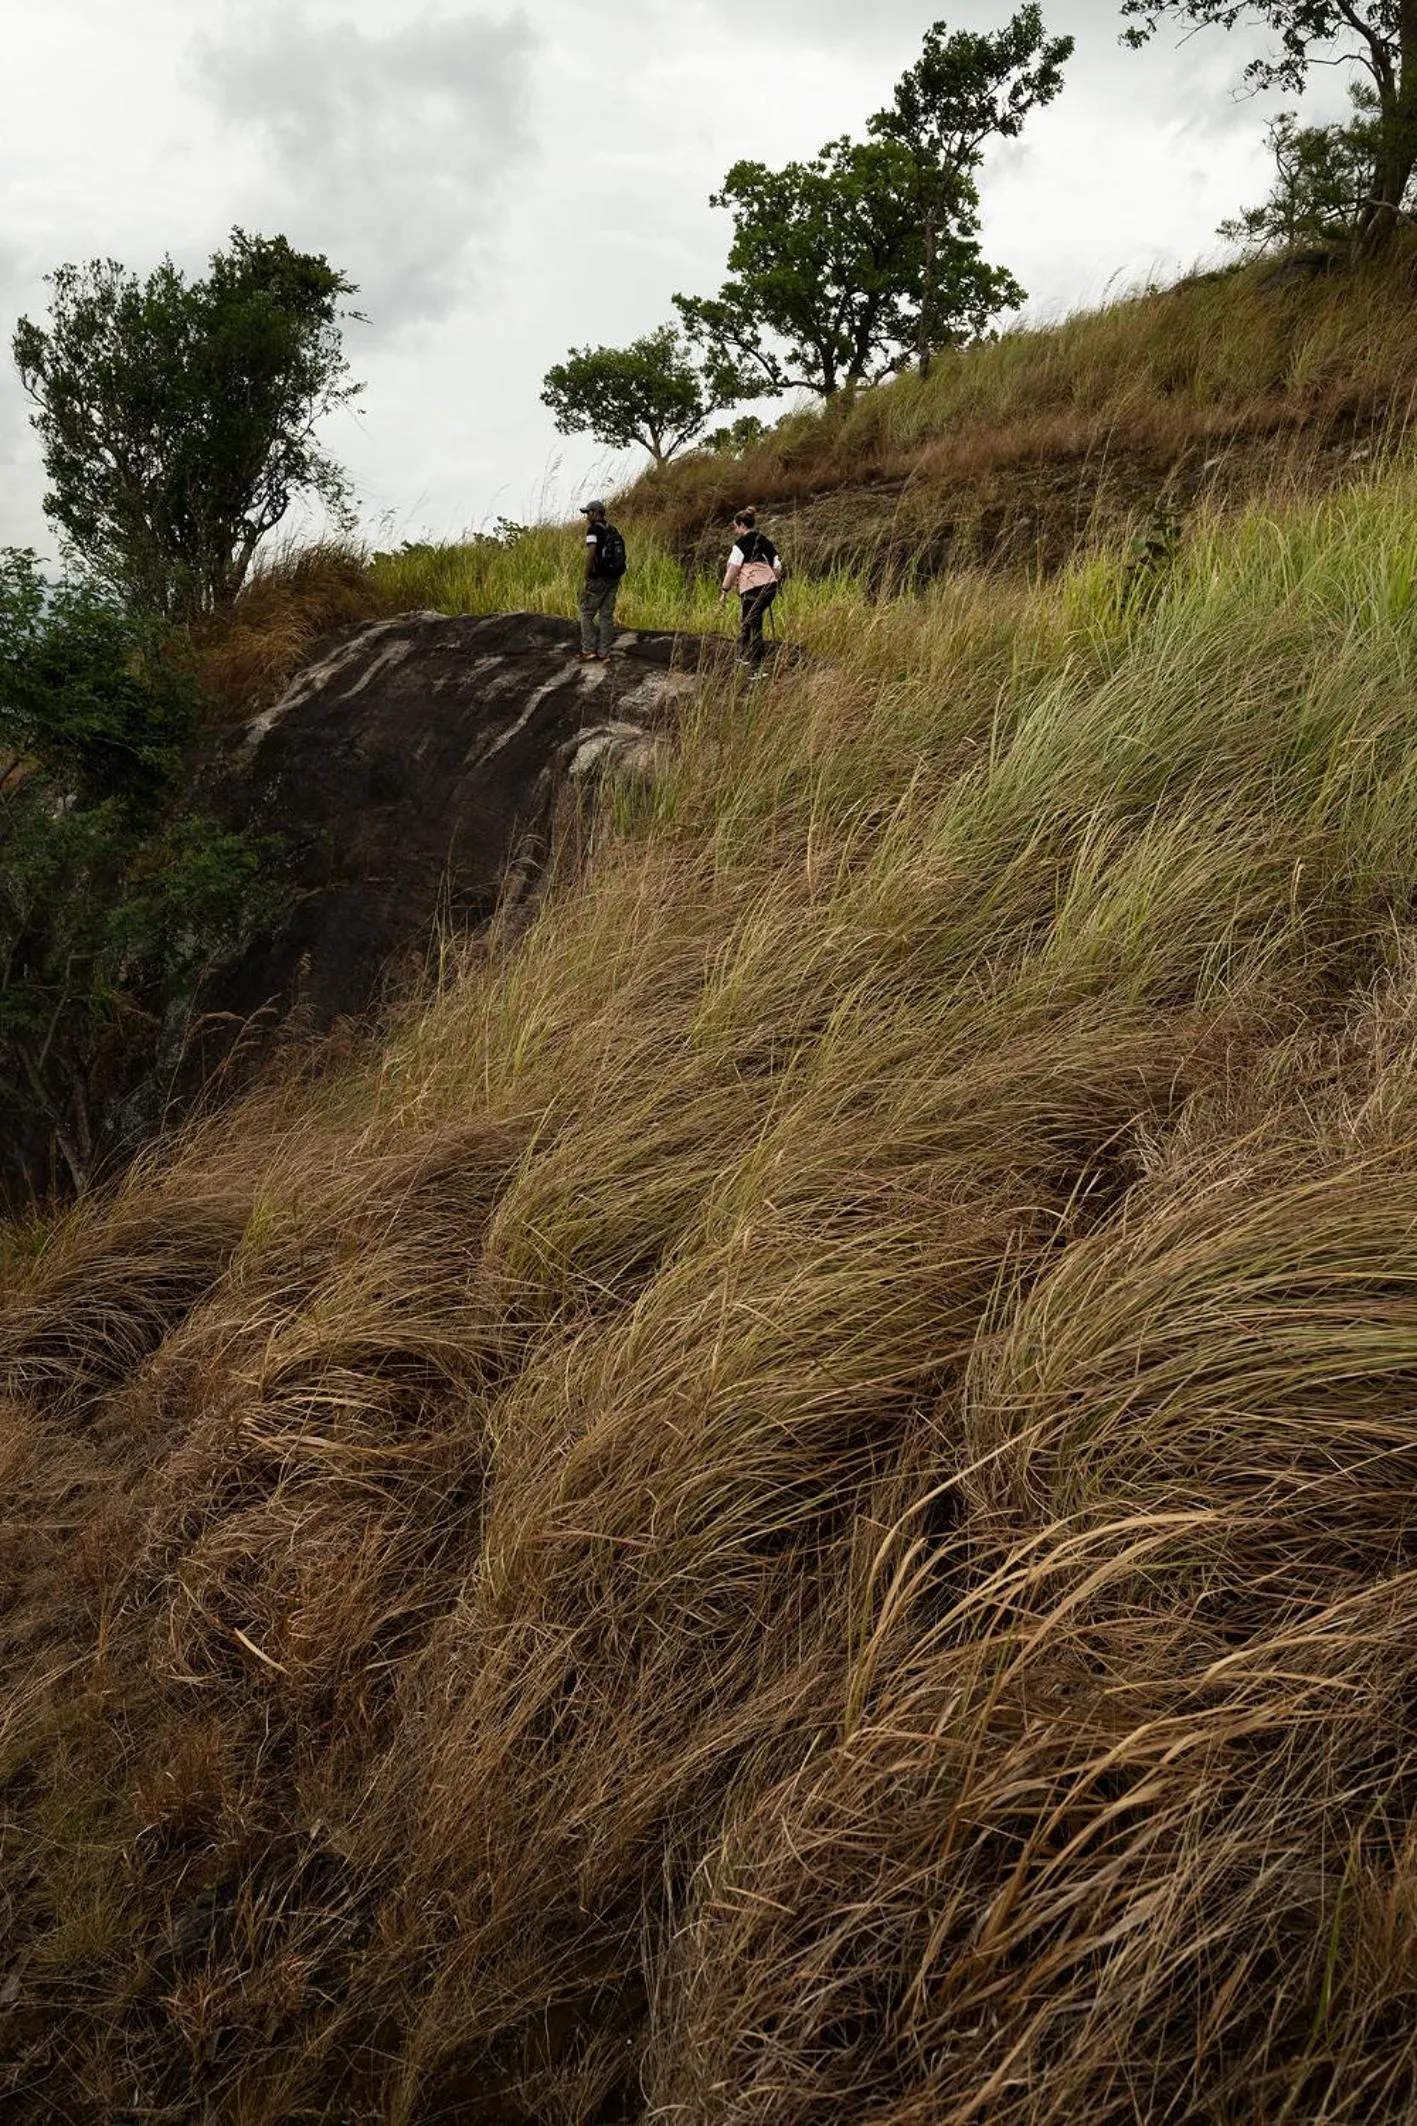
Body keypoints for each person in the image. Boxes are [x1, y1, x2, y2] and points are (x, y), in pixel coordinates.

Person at [720, 508, 784, 670]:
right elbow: (777, 567)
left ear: (742, 525)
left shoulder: (740, 544)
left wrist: (724, 591)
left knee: (751, 623)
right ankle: (745, 658)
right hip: (770, 587)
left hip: (753, 588)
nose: (735, 530)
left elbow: (732, 570)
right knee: (751, 620)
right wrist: (770, 578)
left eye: (735, 526)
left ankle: (754, 666)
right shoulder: (765, 540)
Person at [578, 500, 626, 662]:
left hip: (598, 578)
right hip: (614, 578)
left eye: (588, 513)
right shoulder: (613, 529)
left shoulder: (593, 530)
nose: (586, 516)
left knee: (586, 613)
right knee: (606, 615)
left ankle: (588, 650)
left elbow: (591, 552)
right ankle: (604, 652)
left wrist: (586, 577)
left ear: (595, 513)